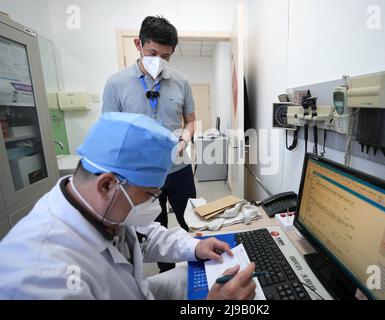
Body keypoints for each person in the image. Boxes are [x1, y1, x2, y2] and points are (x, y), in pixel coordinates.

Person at [0, 112, 256, 300]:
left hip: (135, 290)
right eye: (148, 194)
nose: (153, 205)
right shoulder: (42, 278)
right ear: (107, 185)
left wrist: (196, 246)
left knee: (185, 278)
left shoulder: (97, 208)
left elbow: (145, 236)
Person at [102, 16, 196, 273]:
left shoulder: (181, 82)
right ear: (138, 45)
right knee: (156, 228)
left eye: (166, 56)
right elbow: (110, 130)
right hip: (141, 175)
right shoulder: (116, 84)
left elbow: (190, 121)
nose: (159, 61)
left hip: (178, 168)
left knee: (192, 223)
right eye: (153, 53)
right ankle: (168, 274)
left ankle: (196, 270)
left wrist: (185, 139)